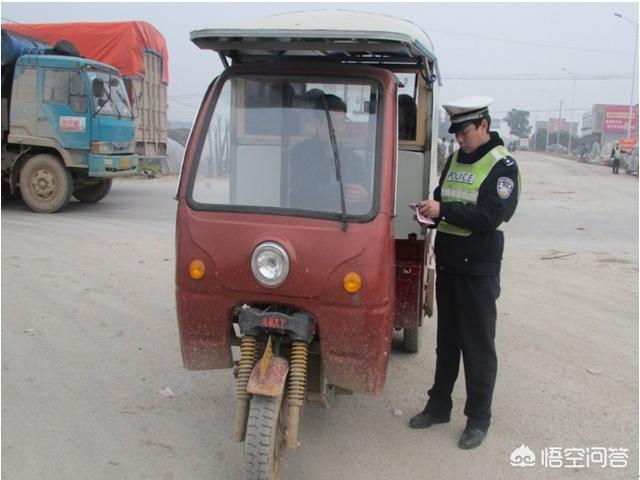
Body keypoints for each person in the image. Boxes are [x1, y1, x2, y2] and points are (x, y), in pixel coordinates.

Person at [409, 96, 520, 450]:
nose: (459, 138)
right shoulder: (456, 159)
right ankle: (439, 406)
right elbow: (444, 198)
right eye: (455, 132)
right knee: (447, 342)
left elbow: (490, 216)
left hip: (478, 269)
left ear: (484, 125)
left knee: (477, 346)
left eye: (465, 131)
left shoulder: (502, 166)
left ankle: (478, 418)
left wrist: (443, 210)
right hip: (449, 264)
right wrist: (428, 213)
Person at [288, 94, 370, 214]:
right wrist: (341, 193)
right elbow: (302, 193)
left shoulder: (354, 159)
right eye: (333, 122)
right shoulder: (300, 153)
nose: (339, 129)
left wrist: (365, 196)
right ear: (317, 123)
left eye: (342, 122)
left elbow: (370, 202)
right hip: (312, 220)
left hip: (345, 222)